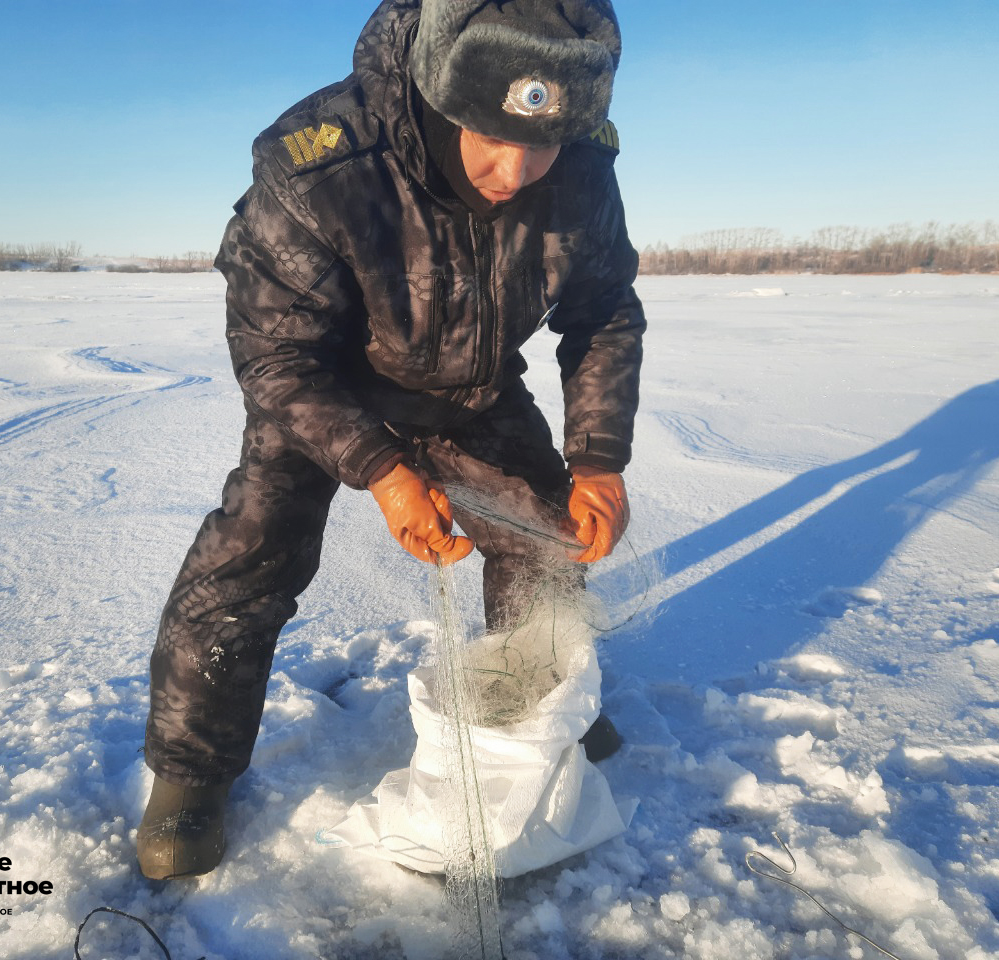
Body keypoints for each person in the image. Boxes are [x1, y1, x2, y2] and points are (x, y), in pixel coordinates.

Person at [136, 0, 644, 880]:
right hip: (323, 394)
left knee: (544, 539)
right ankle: (189, 777)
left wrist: (598, 458)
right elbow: (274, 354)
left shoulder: (583, 167)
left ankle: (536, 708)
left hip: (471, 388)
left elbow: (604, 313)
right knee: (244, 566)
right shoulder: (323, 162)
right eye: (489, 136)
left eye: (544, 143)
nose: (515, 169)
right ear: (442, 92)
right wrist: (381, 470)